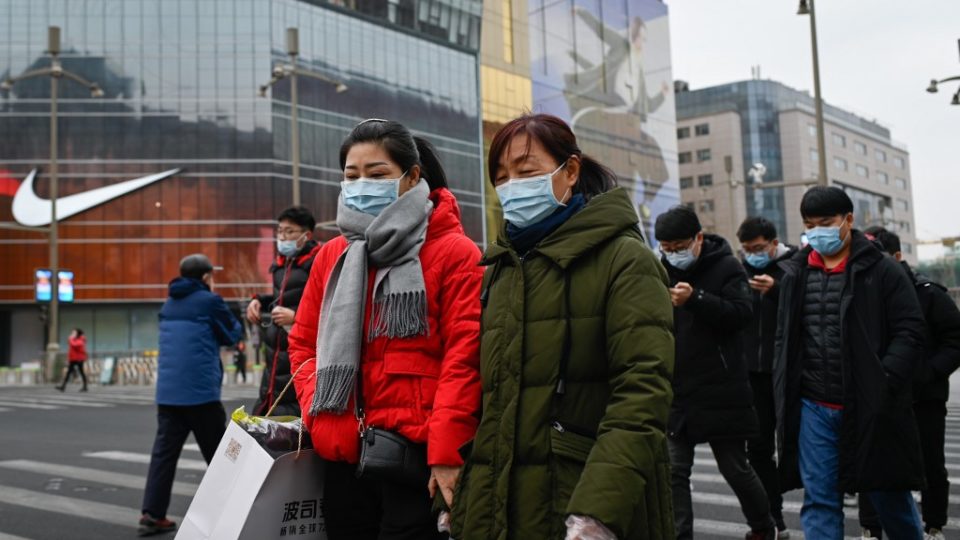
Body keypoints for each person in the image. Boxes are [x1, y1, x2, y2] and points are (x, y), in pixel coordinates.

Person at [449, 113, 675, 540]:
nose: (512, 186)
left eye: (526, 171)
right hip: (501, 504)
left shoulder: (624, 260)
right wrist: (463, 501)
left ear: (570, 171)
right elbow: (490, 398)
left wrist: (598, 512)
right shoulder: (501, 267)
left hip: (580, 504)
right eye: (502, 177)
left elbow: (643, 391)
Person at [288, 119, 483, 540]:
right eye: (351, 175)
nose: (362, 185)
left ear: (412, 177)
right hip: (341, 453)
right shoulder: (333, 255)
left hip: (415, 459)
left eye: (377, 175)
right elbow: (303, 343)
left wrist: (448, 450)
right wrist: (315, 407)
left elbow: (463, 359)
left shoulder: (456, 253)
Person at [773, 187, 926, 540]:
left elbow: (911, 331)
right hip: (814, 406)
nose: (817, 232)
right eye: (810, 225)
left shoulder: (882, 269)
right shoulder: (796, 272)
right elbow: (785, 338)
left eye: (825, 223)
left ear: (848, 220)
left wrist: (883, 378)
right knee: (820, 500)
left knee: (890, 497)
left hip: (872, 404)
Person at [655, 207, 777, 540]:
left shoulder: (727, 267)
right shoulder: (658, 270)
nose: (672, 253)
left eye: (679, 245)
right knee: (674, 472)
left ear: (697, 238)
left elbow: (741, 314)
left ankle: (764, 528)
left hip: (722, 387)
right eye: (665, 246)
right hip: (678, 389)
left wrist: (697, 298)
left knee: (735, 468)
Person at [856, 227, 960, 540]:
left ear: (898, 257)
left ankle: (933, 525)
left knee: (930, 463)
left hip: (923, 397)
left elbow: (955, 340)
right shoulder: (859, 292)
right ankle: (871, 528)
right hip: (877, 395)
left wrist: (928, 372)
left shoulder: (929, 294)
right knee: (871, 463)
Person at [139, 254, 242, 536]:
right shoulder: (210, 301)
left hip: (169, 394)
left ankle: (152, 513)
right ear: (206, 277)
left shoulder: (170, 302)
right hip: (200, 394)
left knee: (164, 455)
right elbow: (232, 335)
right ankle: (237, 510)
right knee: (220, 455)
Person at [738, 216, 798, 538]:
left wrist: (777, 292)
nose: (752, 254)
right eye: (746, 249)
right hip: (752, 375)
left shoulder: (795, 268)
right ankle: (773, 520)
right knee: (758, 450)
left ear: (774, 244)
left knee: (798, 447)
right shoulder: (739, 271)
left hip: (788, 373)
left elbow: (804, 310)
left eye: (758, 248)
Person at [246, 206, 320, 416]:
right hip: (275, 355)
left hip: (301, 354)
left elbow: (327, 304)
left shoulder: (318, 261)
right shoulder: (282, 265)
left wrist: (297, 316)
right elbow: (283, 297)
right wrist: (258, 300)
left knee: (292, 421)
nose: (282, 237)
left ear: (307, 235)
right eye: (280, 231)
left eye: (289, 231)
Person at [57, 328, 88, 392]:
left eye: (74, 333)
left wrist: (71, 338)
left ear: (78, 333)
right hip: (73, 358)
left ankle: (85, 387)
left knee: (81, 372)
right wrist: (71, 338)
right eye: (72, 333)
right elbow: (70, 343)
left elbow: (74, 345)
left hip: (79, 359)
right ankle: (63, 386)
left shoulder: (81, 339)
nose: (72, 334)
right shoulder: (74, 339)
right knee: (68, 372)